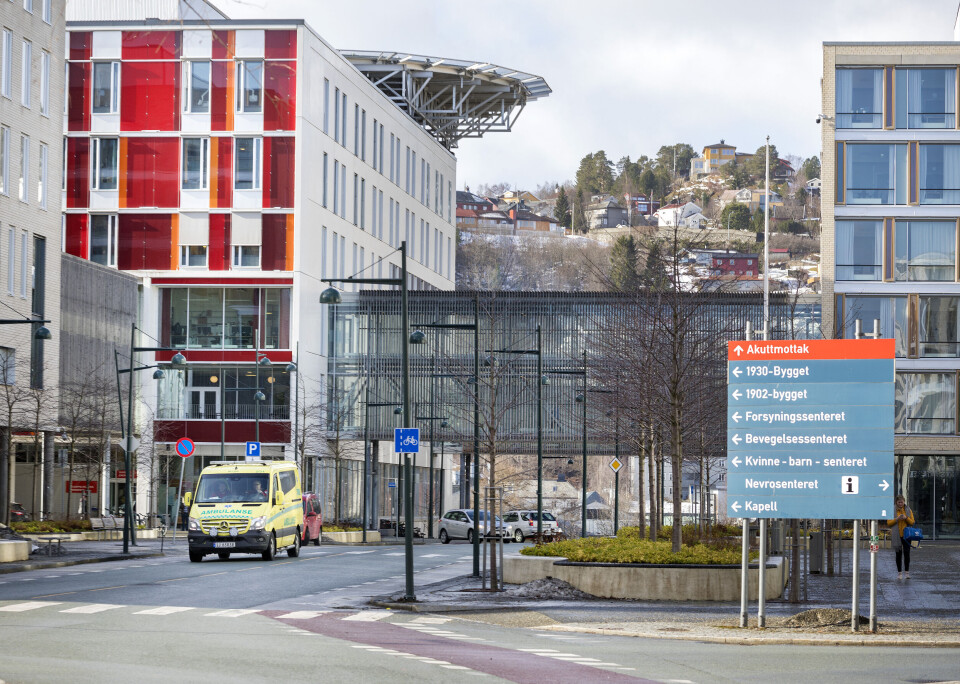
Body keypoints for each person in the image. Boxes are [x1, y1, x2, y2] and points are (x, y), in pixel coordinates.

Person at [886, 495, 915, 580]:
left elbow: (912, 522)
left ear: (904, 502)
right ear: (896, 502)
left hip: (907, 535)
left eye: (902, 502)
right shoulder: (892, 510)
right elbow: (889, 523)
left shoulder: (908, 510)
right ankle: (899, 573)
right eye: (899, 502)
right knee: (898, 554)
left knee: (907, 553)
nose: (900, 504)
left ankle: (907, 572)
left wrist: (906, 518)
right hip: (897, 535)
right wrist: (897, 519)